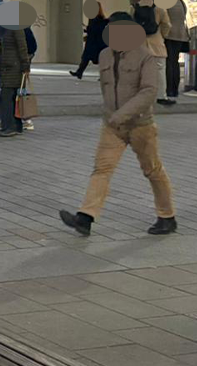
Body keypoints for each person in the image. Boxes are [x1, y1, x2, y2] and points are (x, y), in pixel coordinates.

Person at [60, 12, 177, 237]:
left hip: (140, 125)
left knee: (152, 170)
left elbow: (149, 91)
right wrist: (111, 115)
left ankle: (167, 216)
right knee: (102, 170)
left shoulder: (145, 57)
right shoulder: (105, 55)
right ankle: (85, 217)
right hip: (112, 125)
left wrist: (122, 114)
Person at [0, 23, 30, 137]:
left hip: (15, 68)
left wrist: (25, 66)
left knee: (8, 98)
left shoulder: (15, 27)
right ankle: (15, 126)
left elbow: (22, 47)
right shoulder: (1, 29)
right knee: (12, 98)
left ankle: (9, 127)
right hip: (6, 68)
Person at [133, 0, 171, 100]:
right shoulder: (159, 9)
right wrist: (162, 36)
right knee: (159, 70)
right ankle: (160, 96)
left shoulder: (133, 8)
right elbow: (167, 25)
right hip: (156, 44)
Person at [71, 4, 109, 80]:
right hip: (92, 42)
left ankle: (103, 76)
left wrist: (87, 29)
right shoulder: (95, 19)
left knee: (99, 60)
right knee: (85, 58)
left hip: (97, 43)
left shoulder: (100, 19)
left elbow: (96, 30)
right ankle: (79, 72)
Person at [162, 0, 189, 104]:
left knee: (169, 62)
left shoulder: (165, 3)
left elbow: (162, 20)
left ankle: (169, 89)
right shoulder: (181, 2)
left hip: (169, 35)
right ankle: (175, 90)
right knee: (175, 62)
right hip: (180, 36)